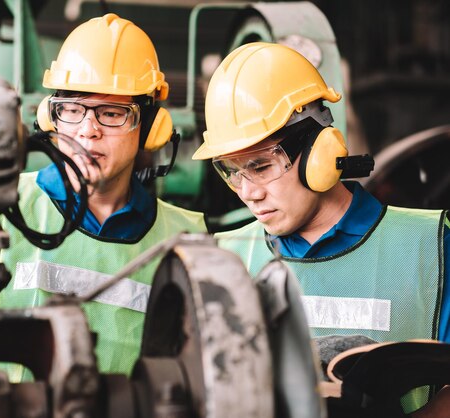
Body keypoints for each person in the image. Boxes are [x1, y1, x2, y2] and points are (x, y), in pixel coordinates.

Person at [192, 42, 449, 415]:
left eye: (261, 166)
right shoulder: (223, 258)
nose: (247, 192)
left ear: (321, 150)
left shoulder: (432, 248)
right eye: (232, 170)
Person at [0, 13, 207, 379]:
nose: (87, 131)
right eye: (72, 111)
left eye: (112, 113)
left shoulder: (187, 241)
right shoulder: (2, 208)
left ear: (151, 128)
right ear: (51, 119)